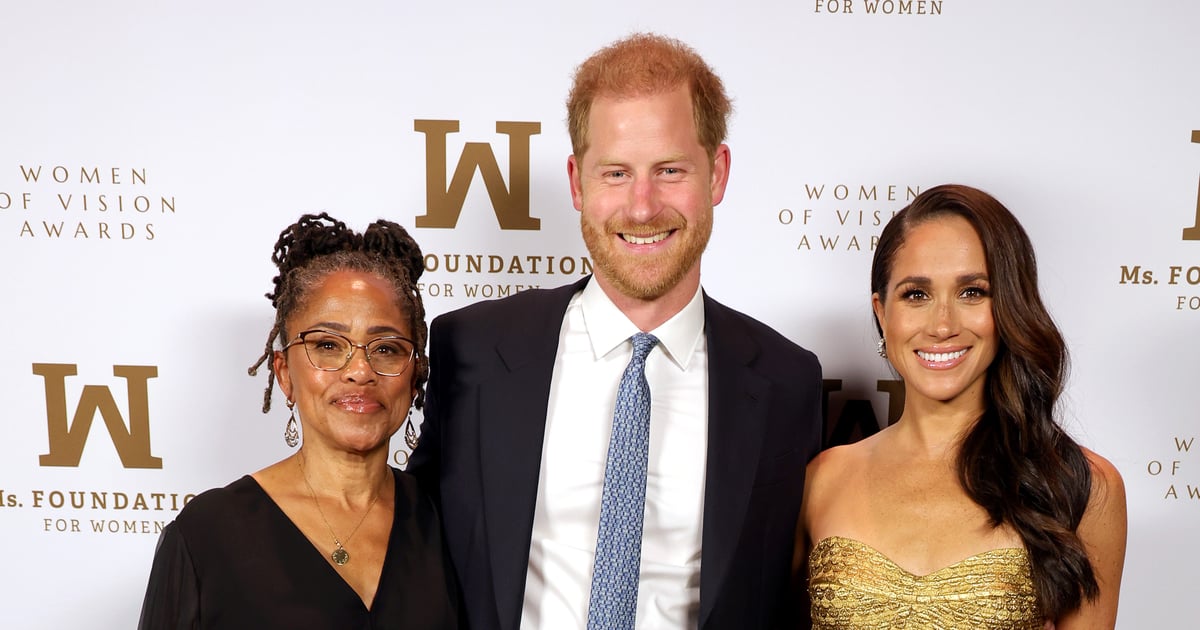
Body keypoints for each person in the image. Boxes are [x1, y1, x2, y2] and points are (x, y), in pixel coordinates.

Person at [407, 33, 823, 630]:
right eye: (616, 173)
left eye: (671, 170)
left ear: (718, 173)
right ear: (577, 183)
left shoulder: (787, 382)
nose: (643, 205)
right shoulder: (471, 351)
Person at [798, 184, 1127, 629]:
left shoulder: (1080, 485)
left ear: (1009, 306)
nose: (942, 325)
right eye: (916, 294)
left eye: (972, 292)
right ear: (882, 312)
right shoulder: (821, 478)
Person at [138, 213, 460, 629]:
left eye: (386, 349)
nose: (360, 370)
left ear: (415, 376)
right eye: (328, 344)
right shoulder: (207, 536)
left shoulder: (452, 524)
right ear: (285, 373)